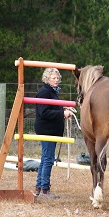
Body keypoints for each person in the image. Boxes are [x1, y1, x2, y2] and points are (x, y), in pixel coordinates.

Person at [34, 68, 73, 199]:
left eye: (58, 78)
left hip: (50, 130)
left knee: (45, 158)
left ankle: (39, 188)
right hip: (47, 130)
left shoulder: (51, 92)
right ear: (47, 79)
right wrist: (62, 113)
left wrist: (63, 109)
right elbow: (43, 112)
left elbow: (52, 109)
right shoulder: (45, 92)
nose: (56, 80)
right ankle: (45, 190)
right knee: (48, 159)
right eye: (53, 78)